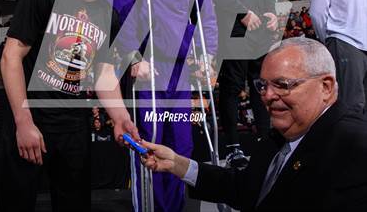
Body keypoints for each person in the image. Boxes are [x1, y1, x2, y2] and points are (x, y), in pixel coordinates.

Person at [0, 0, 140, 212]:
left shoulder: (107, 14)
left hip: (75, 126)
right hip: (32, 119)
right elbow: (10, 58)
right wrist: (23, 123)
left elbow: (104, 75)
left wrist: (121, 116)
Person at [141, 37, 367, 211]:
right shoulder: (277, 139)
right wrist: (176, 164)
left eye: (282, 84)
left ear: (326, 86)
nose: (267, 95)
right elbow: (245, 189)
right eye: (262, 85)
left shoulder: (355, 146)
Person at [113, 0, 218, 211]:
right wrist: (132, 54)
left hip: (181, 69)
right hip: (149, 65)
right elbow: (121, 6)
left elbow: (207, 16)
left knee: (181, 146)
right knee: (149, 141)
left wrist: (208, 56)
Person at [203, 0, 277, 169]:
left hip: (259, 32)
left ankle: (265, 142)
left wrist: (270, 12)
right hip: (232, 28)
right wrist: (241, 12)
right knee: (233, 88)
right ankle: (233, 148)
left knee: (261, 86)